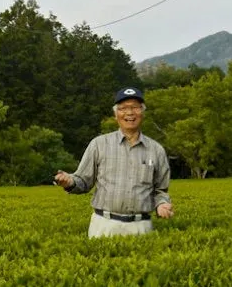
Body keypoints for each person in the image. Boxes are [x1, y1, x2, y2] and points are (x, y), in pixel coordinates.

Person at [54, 87, 174, 238]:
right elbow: (83, 181)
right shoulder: (99, 144)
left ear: (142, 112)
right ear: (116, 114)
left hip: (141, 226)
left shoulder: (156, 150)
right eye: (123, 108)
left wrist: (162, 204)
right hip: (104, 225)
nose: (130, 113)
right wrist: (69, 181)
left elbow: (160, 190)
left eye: (135, 107)